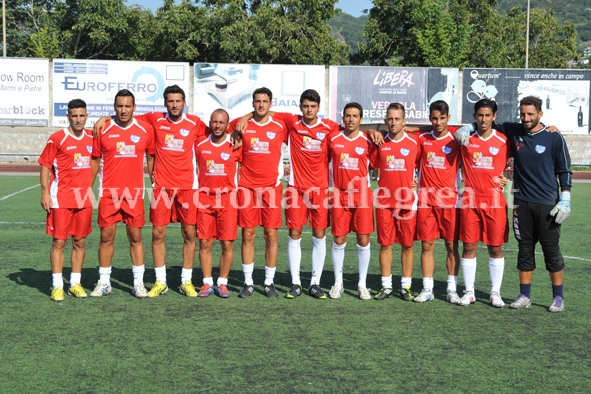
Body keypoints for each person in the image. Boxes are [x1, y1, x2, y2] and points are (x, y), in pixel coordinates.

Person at [233, 89, 383, 299]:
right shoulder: (292, 122)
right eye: (305, 106)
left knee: (319, 236)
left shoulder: (329, 128)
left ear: (318, 108)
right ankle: (295, 283)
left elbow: (351, 129)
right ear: (301, 107)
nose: (309, 110)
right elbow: (265, 112)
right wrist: (246, 116)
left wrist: (370, 132)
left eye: (313, 106)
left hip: (320, 190)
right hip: (295, 188)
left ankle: (315, 282)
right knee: (294, 234)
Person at [456, 96, 572, 312]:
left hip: (548, 203)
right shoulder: (514, 131)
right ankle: (524, 295)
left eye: (530, 114)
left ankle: (558, 297)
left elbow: (564, 169)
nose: (526, 118)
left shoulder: (554, 137)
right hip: (521, 202)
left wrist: (565, 196)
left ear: (540, 114)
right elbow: (485, 122)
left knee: (551, 250)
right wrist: (467, 126)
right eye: (523, 114)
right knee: (525, 249)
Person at [93, 85, 207, 297]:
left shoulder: (195, 123)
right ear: (165, 103)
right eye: (170, 101)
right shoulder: (154, 120)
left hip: (188, 187)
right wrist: (105, 118)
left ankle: (186, 281)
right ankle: (160, 281)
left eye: (178, 101)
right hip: (162, 187)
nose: (174, 105)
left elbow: (218, 133)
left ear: (184, 103)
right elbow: (126, 115)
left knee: (189, 234)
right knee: (157, 234)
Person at [90, 89, 155, 298]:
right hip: (109, 193)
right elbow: (95, 160)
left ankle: (138, 283)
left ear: (134, 107)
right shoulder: (104, 129)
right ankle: (104, 282)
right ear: (114, 107)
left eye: (128, 106)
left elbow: (151, 156)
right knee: (106, 236)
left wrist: (154, 178)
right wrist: (88, 187)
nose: (124, 110)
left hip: (133, 194)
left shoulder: (145, 129)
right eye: (120, 106)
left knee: (135, 236)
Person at [227, 87, 288, 298]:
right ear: (252, 103)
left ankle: (269, 282)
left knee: (271, 235)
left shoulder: (281, 124)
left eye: (264, 101)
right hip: (247, 189)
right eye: (257, 101)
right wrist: (245, 118)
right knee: (248, 235)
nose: (261, 104)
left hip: (271, 188)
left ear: (271, 104)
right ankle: (248, 282)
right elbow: (219, 128)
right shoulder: (241, 125)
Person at [39, 99, 93, 301]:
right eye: (74, 115)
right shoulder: (57, 139)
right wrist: (44, 192)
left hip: (84, 199)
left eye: (82, 115)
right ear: (68, 117)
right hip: (60, 198)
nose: (78, 119)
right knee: (59, 242)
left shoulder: (92, 137)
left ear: (86, 116)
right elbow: (45, 166)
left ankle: (75, 284)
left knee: (79, 241)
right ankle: (57, 286)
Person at [457, 99, 509, 307]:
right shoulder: (465, 139)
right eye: (480, 115)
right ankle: (469, 292)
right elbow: (438, 127)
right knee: (469, 247)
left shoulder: (504, 141)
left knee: (495, 248)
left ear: (494, 117)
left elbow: (526, 156)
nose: (484, 119)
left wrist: (509, 179)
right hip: (470, 201)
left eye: (488, 115)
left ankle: (495, 293)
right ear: (474, 116)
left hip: (495, 202)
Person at [370, 103, 420, 301]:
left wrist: (418, 181)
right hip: (384, 202)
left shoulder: (416, 142)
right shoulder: (379, 144)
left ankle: (406, 286)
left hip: (407, 202)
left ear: (404, 121)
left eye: (397, 119)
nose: (393, 122)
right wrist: (374, 131)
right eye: (390, 119)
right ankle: (386, 286)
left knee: (407, 245)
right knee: (385, 245)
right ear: (385, 121)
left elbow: (427, 163)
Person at [414, 100, 462, 304]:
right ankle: (427, 288)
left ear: (448, 118)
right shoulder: (422, 139)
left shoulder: (457, 140)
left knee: (452, 246)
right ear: (429, 118)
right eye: (434, 118)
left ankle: (452, 289)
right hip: (426, 202)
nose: (438, 122)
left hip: (450, 202)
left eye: (442, 118)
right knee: (427, 245)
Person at [328, 102, 375, 300]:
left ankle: (362, 284)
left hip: (362, 195)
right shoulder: (333, 139)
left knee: (363, 240)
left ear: (361, 120)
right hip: (339, 195)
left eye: (355, 116)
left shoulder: (368, 140)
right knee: (339, 239)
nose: (351, 119)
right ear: (343, 118)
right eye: (347, 115)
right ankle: (338, 282)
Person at [194, 109, 242, 298]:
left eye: (222, 122)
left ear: (227, 125)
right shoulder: (200, 144)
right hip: (205, 199)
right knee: (204, 243)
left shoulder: (236, 145)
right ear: (210, 123)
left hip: (228, 200)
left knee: (227, 244)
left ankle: (222, 283)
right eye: (214, 122)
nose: (217, 126)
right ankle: (207, 283)